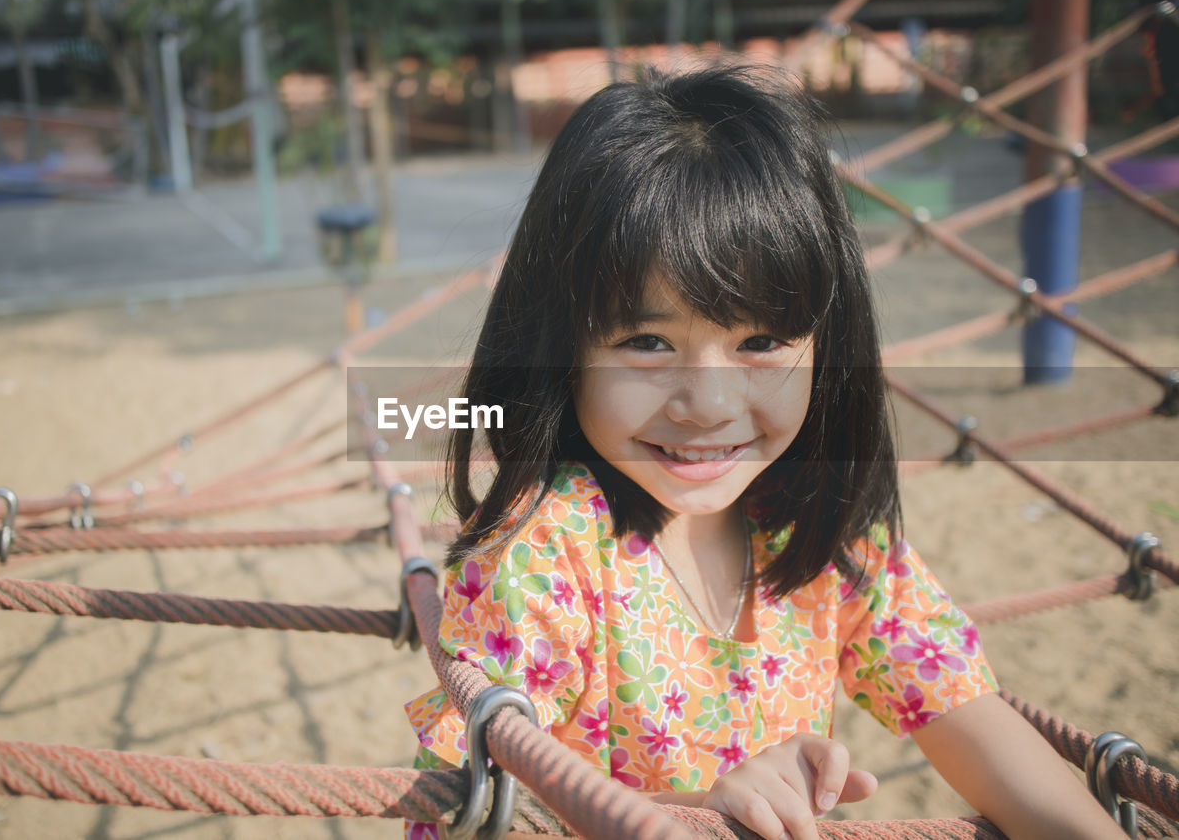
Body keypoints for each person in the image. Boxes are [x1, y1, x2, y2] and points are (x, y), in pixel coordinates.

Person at [404, 66, 1125, 840]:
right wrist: (695, 817)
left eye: (763, 340)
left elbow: (964, 707)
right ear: (563, 348)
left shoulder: (826, 532)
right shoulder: (544, 555)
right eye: (646, 342)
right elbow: (474, 811)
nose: (709, 406)